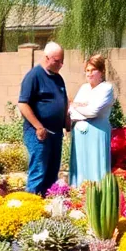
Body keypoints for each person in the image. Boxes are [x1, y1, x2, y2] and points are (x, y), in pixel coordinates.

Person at [18, 42, 68, 195]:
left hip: (56, 133)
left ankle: (46, 207)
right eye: (57, 61)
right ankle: (31, 204)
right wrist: (38, 126)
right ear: (47, 58)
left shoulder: (58, 78)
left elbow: (64, 101)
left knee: (52, 171)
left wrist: (66, 121)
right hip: (38, 133)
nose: (61, 64)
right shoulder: (34, 76)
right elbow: (23, 104)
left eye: (62, 61)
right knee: (39, 170)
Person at [68, 54, 115, 185]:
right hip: (79, 135)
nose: (89, 74)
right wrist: (78, 107)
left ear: (102, 72)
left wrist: (77, 106)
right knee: (79, 168)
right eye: (87, 70)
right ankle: (77, 197)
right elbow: (71, 111)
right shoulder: (83, 88)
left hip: (97, 133)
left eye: (93, 70)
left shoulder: (106, 88)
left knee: (96, 166)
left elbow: (93, 112)